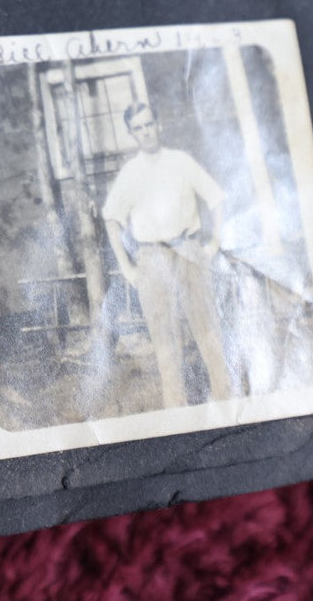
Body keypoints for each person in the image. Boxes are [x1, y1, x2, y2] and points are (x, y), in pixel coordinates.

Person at [100, 102, 234, 408]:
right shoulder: (131, 173)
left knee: (207, 329)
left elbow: (216, 197)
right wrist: (127, 268)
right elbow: (111, 218)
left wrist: (214, 243)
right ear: (132, 134)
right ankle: (177, 408)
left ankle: (225, 399)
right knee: (163, 339)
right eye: (139, 128)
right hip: (151, 259)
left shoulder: (181, 161)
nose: (146, 132)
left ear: (158, 124)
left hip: (188, 249)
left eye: (149, 124)